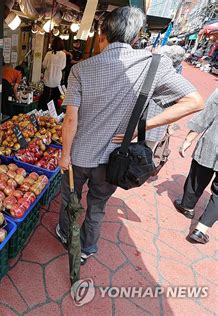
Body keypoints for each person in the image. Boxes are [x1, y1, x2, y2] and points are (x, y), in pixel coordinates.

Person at [56, 6, 203, 265]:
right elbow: (193, 101)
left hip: (79, 156)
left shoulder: (81, 69)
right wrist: (141, 128)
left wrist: (64, 156)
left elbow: (70, 119)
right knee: (97, 205)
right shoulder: (154, 66)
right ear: (136, 38)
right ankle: (87, 248)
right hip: (113, 159)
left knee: (70, 198)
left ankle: (65, 233)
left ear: (102, 36)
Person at [174, 89, 217, 244]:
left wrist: (189, 139)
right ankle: (200, 230)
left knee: (198, 173)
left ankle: (187, 206)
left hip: (213, 142)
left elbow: (207, 114)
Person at [39, 37, 67, 111]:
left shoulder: (48, 54)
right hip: (57, 79)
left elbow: (44, 65)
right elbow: (63, 67)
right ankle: (54, 112)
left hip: (48, 78)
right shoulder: (63, 55)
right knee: (55, 97)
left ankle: (44, 111)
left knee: (45, 96)